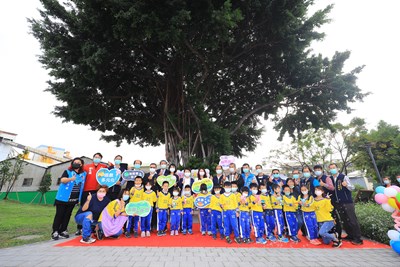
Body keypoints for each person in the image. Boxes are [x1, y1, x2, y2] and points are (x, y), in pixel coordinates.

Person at [328, 163, 363, 245]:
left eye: (334, 167)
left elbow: (352, 188)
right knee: (344, 220)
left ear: (337, 168)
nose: (333, 169)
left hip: (347, 202)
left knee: (352, 219)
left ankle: (358, 238)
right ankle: (350, 235)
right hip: (337, 202)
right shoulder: (330, 179)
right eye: (331, 168)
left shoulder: (343, 177)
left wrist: (346, 185)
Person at [52, 158, 86, 240]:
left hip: (73, 198)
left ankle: (63, 230)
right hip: (63, 198)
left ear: (81, 164)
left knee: (67, 215)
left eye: (78, 162)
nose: (76, 163)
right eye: (75, 162)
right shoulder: (68, 172)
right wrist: (71, 179)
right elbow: (63, 180)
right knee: (59, 214)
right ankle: (55, 231)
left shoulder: (83, 174)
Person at [77, 152, 111, 235]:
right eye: (96, 157)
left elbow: (111, 174)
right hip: (87, 190)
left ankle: (93, 227)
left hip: (98, 191)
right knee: (84, 208)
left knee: (96, 208)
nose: (97, 158)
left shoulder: (103, 167)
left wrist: (111, 166)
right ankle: (79, 228)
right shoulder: (86, 167)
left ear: (101, 159)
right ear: (93, 158)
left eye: (99, 157)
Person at [143, 162, 159, 231]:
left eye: (153, 167)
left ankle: (154, 225)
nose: (152, 168)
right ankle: (147, 226)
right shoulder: (146, 175)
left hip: (154, 194)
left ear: (156, 168)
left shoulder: (158, 176)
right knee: (146, 210)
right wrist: (148, 179)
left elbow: (159, 185)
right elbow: (143, 183)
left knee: (154, 209)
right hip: (146, 194)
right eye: (151, 167)